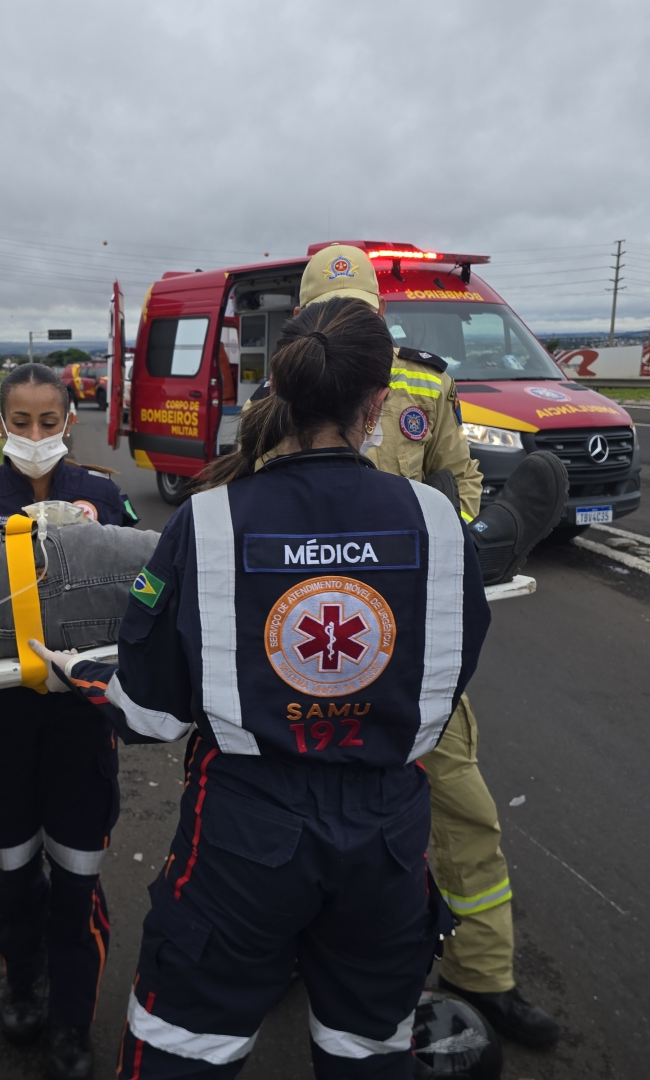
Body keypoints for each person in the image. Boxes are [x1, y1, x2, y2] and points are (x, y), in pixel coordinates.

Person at [30, 296, 492, 1079]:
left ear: (275, 394)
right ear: (377, 403)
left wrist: (88, 678)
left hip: (244, 841)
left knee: (186, 1047)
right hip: (386, 844)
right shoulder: (438, 521)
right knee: (368, 1051)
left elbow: (147, 713)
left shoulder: (206, 522)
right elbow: (448, 680)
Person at [288, 246, 562, 1048]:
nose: (344, 325)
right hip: (319, 642)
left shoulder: (421, 382)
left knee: (464, 813)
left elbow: (460, 474)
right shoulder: (288, 389)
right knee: (301, 814)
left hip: (416, 646)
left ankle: (483, 973)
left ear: (381, 315)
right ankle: (287, 951)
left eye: (360, 312)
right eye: (328, 312)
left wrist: (447, 535)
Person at [0, 363, 139, 1080]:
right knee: (13, 876)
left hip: (83, 731)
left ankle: (74, 1024)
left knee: (78, 887)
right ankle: (23, 985)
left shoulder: (104, 498)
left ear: (69, 422)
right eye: (20, 423)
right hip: (6, 727)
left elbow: (139, 598)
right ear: (0, 423)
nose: (34, 436)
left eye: (48, 423)